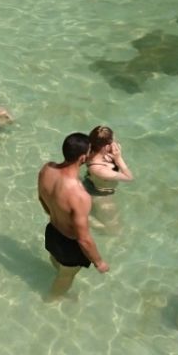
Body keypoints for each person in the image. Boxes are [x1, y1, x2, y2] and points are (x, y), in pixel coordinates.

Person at [38, 132, 107, 300]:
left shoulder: (47, 169)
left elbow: (41, 198)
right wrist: (99, 262)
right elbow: (84, 239)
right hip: (69, 245)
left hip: (52, 230)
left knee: (57, 261)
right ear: (83, 158)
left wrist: (54, 215)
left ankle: (59, 273)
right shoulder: (79, 195)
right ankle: (52, 299)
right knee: (67, 275)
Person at [84, 125, 133, 230]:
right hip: (101, 195)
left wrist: (109, 153)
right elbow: (129, 177)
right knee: (113, 228)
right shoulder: (100, 169)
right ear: (106, 147)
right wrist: (119, 159)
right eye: (113, 141)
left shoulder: (90, 151)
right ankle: (85, 217)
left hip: (93, 182)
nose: (115, 143)